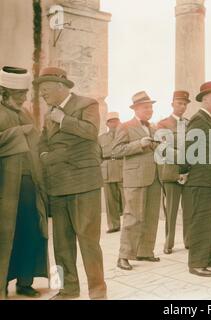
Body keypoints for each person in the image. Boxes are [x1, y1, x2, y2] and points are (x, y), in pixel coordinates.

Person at [36, 67, 107, 300]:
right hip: (58, 185)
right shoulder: (48, 114)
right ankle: (66, 289)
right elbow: (44, 143)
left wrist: (64, 120)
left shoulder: (87, 104)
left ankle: (97, 292)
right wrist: (45, 156)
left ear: (60, 86)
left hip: (83, 184)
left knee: (89, 241)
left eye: (45, 89)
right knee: (61, 244)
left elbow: (90, 132)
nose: (42, 94)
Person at [0, 66, 48, 299]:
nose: (24, 98)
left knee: (29, 232)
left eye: (25, 93)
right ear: (5, 92)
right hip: (4, 187)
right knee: (4, 234)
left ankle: (25, 281)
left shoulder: (25, 113)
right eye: (19, 94)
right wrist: (20, 132)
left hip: (29, 185)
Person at [181, 81, 211, 277]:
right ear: (205, 100)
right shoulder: (199, 120)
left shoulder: (209, 120)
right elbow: (189, 151)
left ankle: (208, 257)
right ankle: (197, 263)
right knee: (202, 221)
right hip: (202, 180)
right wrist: (185, 171)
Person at [113, 91, 161, 271]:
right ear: (136, 109)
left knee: (151, 216)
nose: (150, 110)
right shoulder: (125, 127)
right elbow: (116, 151)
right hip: (135, 178)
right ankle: (123, 256)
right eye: (146, 107)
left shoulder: (154, 128)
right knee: (133, 217)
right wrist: (139, 144)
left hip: (154, 177)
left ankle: (145, 251)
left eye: (151, 107)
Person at [157, 91, 191, 254]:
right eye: (179, 103)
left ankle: (188, 241)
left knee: (189, 209)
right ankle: (168, 243)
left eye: (185, 104)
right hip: (171, 172)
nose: (182, 106)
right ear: (172, 104)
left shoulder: (190, 123)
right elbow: (164, 148)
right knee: (171, 210)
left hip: (189, 172)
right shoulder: (163, 124)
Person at [99, 112, 124, 233]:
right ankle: (114, 225)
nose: (114, 123)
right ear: (107, 123)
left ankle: (130, 224)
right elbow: (98, 155)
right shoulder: (101, 138)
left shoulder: (124, 134)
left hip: (122, 168)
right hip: (107, 169)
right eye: (111, 121)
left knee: (127, 199)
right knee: (110, 200)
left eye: (116, 121)